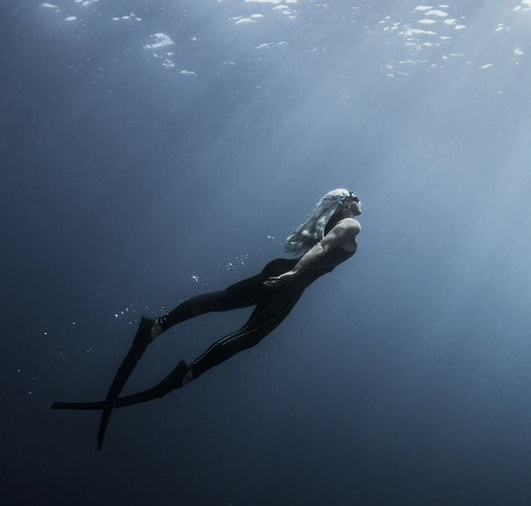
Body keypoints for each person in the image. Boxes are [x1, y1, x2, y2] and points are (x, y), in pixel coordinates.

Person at [52, 189, 361, 449]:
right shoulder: (350, 224)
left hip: (279, 272)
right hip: (290, 282)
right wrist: (293, 274)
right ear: (345, 204)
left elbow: (320, 244)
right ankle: (186, 374)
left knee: (220, 301)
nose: (359, 201)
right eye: (354, 196)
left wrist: (288, 271)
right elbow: (322, 247)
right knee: (250, 335)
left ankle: (157, 327)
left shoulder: (334, 220)